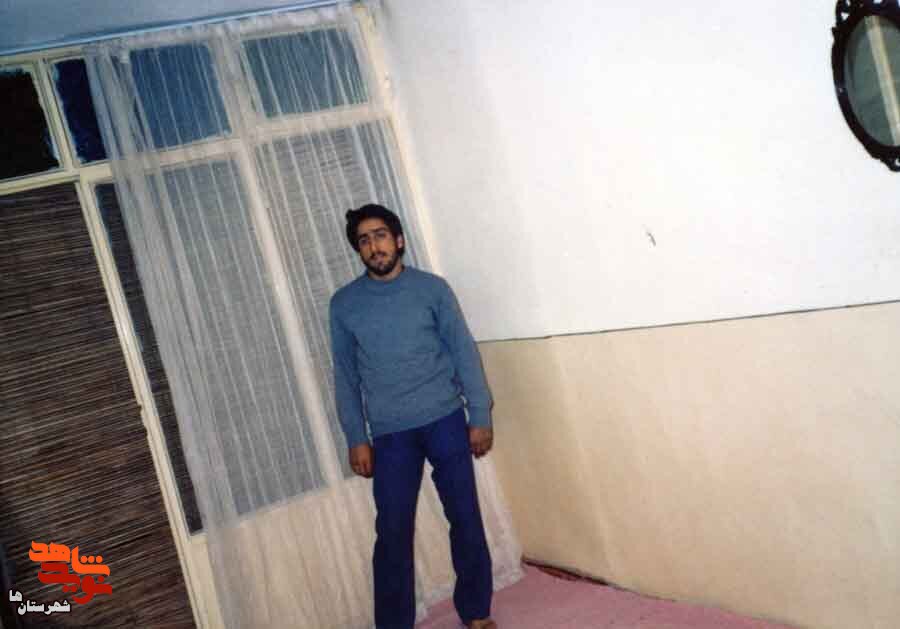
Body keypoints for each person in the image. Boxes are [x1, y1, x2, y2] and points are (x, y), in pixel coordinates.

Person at [329, 204, 497, 629]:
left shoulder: (432, 289)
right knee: (392, 533)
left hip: (445, 419)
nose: (374, 246)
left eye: (380, 235)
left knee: (465, 517)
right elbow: (345, 375)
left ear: (399, 240)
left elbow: (463, 350)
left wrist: (479, 413)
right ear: (358, 250)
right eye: (364, 240)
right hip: (390, 435)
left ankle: (476, 612)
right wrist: (356, 437)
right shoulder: (344, 305)